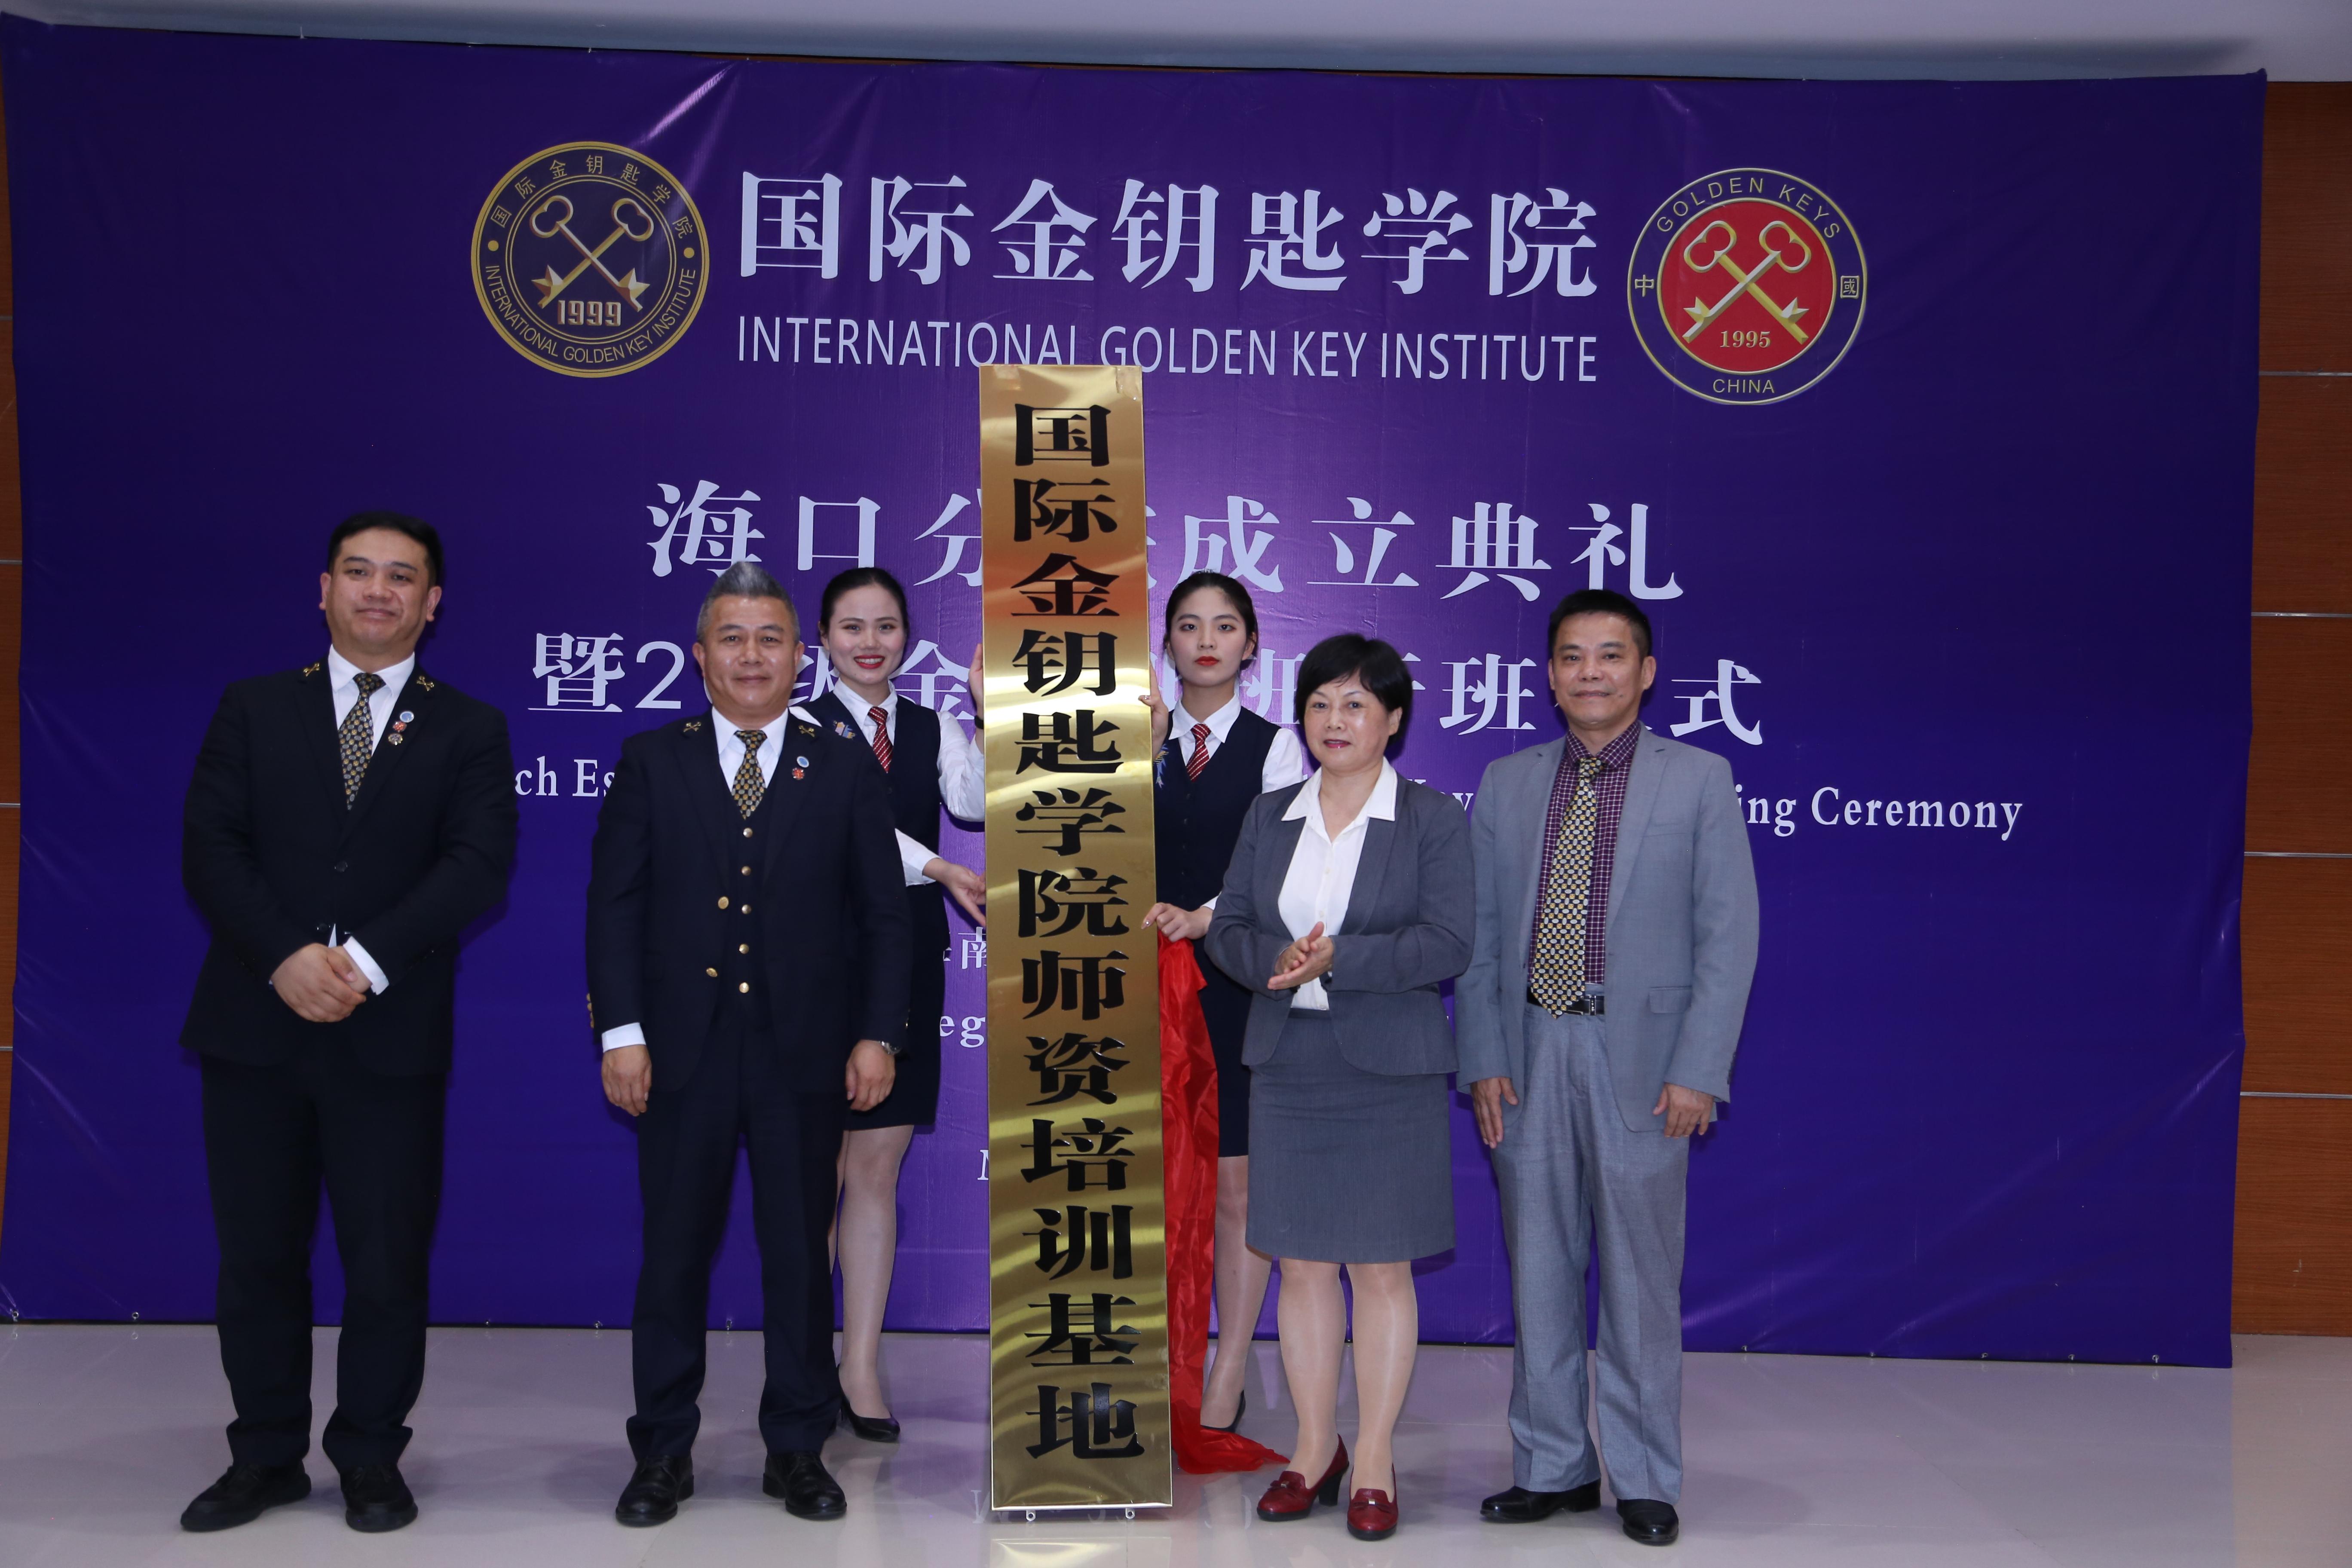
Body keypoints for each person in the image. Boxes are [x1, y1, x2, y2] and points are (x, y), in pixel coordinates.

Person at [177, 512, 517, 1535]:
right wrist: (285, 956)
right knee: (258, 1258)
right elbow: (211, 846)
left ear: (432, 602)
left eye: (401, 577)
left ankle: (370, 1454)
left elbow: (476, 866)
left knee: (386, 1262)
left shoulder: (470, 727)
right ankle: (265, 1454)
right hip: (256, 1023)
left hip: (389, 1033)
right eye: (359, 572)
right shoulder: (252, 707)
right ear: (323, 588)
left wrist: (362, 964)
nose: (379, 591)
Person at [588, 561, 910, 1527]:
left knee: (799, 1259)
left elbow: (884, 918)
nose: (752, 655)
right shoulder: (655, 759)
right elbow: (615, 908)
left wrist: (877, 1034)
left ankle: (798, 1449)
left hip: (803, 1055)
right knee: (673, 1257)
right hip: (678, 1056)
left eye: (770, 639)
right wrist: (621, 1034)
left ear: (800, 657)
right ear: (701, 657)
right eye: (732, 638)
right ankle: (662, 1452)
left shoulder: (842, 765)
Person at [1458, 588, 1758, 1548]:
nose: (1591, 672)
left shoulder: (1699, 779)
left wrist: (1699, 1068)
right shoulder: (1506, 783)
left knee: (1638, 1280)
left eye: (1611, 655)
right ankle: (1552, 1465)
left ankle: (1644, 1477)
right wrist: (1483, 1056)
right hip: (1529, 1052)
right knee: (1540, 1270)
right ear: (1550, 676)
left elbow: (1729, 937)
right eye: (1572, 657)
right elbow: (1479, 938)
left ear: (1647, 671)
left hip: (1646, 1062)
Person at [1202, 634, 1473, 1543]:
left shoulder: (1430, 818)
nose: (1335, 720)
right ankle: (1314, 1451)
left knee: (1381, 1268)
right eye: (1320, 703)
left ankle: (1378, 1458)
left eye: (1356, 704)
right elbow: (1229, 926)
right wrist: (1272, 959)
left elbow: (1449, 942)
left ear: (1394, 719)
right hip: (1290, 1064)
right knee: (1304, 1266)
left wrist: (1340, 958)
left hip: (1387, 1069)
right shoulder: (1271, 813)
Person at [807, 566, 986, 1441]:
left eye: (885, 627)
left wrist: (989, 712)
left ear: (908, 639)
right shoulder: (798, 727)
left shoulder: (930, 726)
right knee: (814, 1172)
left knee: (877, 1170)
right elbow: (840, 827)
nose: (869, 643)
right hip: (814, 955)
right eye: (852, 627)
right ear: (823, 641)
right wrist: (941, 867)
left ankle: (861, 1366)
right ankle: (804, 1362)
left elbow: (975, 802)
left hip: (906, 957)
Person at [1138, 571, 1306, 1433]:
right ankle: (1140, 1362)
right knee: (1142, 1183)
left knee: (1236, 1190)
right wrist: (1145, 755)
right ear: (1166, 641)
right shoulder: (1136, 737)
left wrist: (1204, 917)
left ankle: (1227, 1368)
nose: (1207, 640)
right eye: (1189, 625)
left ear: (1252, 645)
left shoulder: (1278, 749)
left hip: (1233, 987)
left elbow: (1276, 868)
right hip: (1132, 988)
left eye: (1226, 626)